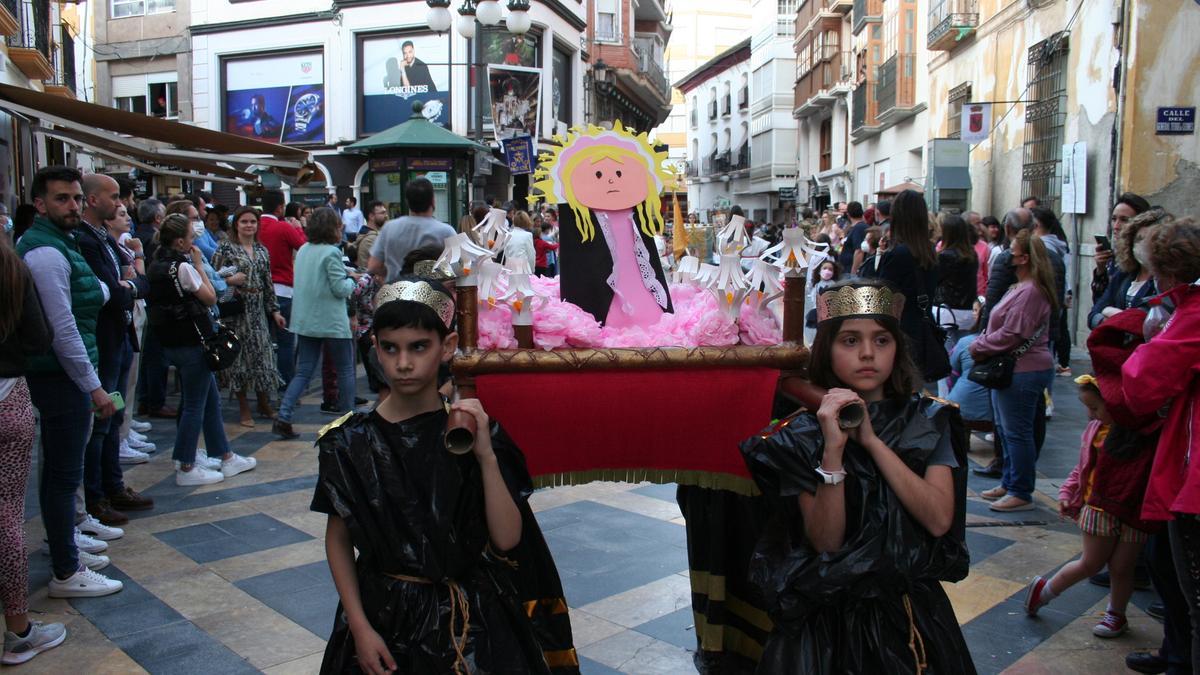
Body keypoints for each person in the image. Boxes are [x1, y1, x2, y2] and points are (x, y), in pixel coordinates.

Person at [312, 279, 576, 673]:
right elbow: (339, 541)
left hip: (471, 619)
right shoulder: (349, 443)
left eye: (418, 347)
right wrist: (360, 627)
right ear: (375, 350)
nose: (404, 363)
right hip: (385, 616)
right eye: (391, 348)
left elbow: (506, 538)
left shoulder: (471, 434)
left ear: (447, 347)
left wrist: (486, 456)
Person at [740, 279, 973, 673]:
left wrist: (871, 441)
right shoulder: (801, 436)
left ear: (897, 347)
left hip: (910, 617)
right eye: (850, 341)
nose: (868, 353)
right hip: (829, 627)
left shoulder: (929, 421)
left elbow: (937, 519)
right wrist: (833, 449)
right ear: (827, 350)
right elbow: (826, 541)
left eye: (881, 340)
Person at [16, 166, 124, 597]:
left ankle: (67, 541)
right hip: (61, 376)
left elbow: (97, 290)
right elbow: (63, 328)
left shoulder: (63, 243)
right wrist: (92, 385)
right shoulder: (45, 253)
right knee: (62, 473)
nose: (74, 206)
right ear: (40, 204)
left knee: (63, 470)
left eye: (77, 198)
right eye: (63, 199)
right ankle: (66, 567)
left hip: (67, 373)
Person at [1121, 217, 1200, 673]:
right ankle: (1174, 654)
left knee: (1189, 586)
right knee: (1168, 569)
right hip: (1181, 455)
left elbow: (1143, 383)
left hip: (1192, 471)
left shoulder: (1192, 314)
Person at [1025, 374, 1157, 637]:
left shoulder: (1142, 431)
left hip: (1134, 508)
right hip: (1099, 508)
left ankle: (1116, 615)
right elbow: (1082, 466)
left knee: (1122, 567)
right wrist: (1067, 492)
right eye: (1087, 407)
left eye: (1095, 407)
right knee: (1091, 564)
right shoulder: (1095, 430)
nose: (1089, 414)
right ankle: (1045, 591)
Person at [146, 214, 257, 486]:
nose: (195, 240)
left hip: (173, 341)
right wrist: (198, 265)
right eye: (191, 236)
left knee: (208, 401)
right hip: (192, 341)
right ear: (181, 241)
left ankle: (225, 455)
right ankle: (185, 464)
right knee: (195, 405)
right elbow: (209, 296)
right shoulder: (182, 267)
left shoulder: (156, 264)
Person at [0, 235, 67, 665]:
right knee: (6, 512)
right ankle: (19, 628)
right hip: (7, 393)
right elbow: (40, 336)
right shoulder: (10, 266)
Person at [76, 174, 153, 526]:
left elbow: (137, 283)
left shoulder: (103, 237)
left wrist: (130, 283)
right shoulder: (86, 240)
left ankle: (112, 484)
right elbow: (114, 290)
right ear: (94, 200)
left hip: (119, 338)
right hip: (105, 339)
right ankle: (97, 495)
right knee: (102, 420)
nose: (121, 202)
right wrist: (129, 285)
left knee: (115, 412)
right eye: (114, 196)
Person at [971, 229, 1057, 512]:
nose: (1008, 253)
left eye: (1013, 249)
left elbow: (1012, 333)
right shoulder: (1019, 287)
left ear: (1023, 258)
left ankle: (1020, 489)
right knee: (1007, 431)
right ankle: (1010, 481)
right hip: (1014, 368)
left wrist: (980, 345)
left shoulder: (1031, 291)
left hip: (1023, 369)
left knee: (1016, 431)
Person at [274, 208, 359, 439]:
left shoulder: (302, 250)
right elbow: (340, 289)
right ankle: (348, 419)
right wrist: (353, 281)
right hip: (331, 320)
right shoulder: (331, 252)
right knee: (345, 370)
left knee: (303, 371)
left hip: (306, 319)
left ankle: (284, 414)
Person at [212, 207, 286, 427]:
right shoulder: (225, 247)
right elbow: (213, 277)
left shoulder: (261, 250)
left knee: (263, 356)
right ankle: (244, 408)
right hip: (236, 308)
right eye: (244, 221)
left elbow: (268, 282)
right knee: (240, 361)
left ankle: (264, 402)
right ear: (237, 224)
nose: (248, 225)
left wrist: (275, 310)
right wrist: (230, 280)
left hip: (258, 309)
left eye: (252, 221)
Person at [860, 190, 940, 379]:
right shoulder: (930, 251)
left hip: (898, 331)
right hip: (921, 326)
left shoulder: (898, 254)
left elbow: (880, 295)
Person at [103, 204, 156, 463]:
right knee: (123, 380)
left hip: (134, 311)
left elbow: (140, 284)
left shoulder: (120, 246)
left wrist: (134, 279)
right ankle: (121, 436)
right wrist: (136, 261)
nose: (128, 219)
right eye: (121, 214)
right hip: (124, 316)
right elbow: (134, 284)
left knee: (129, 380)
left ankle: (125, 427)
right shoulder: (112, 248)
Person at [258, 190, 306, 387]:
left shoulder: (252, 226)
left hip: (257, 290)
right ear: (280, 207)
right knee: (286, 341)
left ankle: (264, 382)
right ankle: (286, 382)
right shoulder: (283, 227)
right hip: (283, 290)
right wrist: (299, 228)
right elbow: (304, 248)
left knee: (263, 341)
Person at [368, 178, 455, 284]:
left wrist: (391, 272)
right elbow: (460, 267)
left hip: (396, 292)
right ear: (433, 200)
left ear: (407, 202)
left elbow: (373, 266)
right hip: (431, 294)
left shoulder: (389, 228)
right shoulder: (446, 232)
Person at [1088, 209, 1163, 329]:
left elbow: (1145, 324)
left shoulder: (1164, 281)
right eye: (1139, 239)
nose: (1144, 244)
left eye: (1150, 239)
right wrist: (1109, 319)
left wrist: (1109, 312)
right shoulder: (1124, 274)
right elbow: (1093, 314)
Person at [1093, 192, 1151, 300]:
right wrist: (1101, 270)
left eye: (1124, 220)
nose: (1116, 226)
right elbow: (1099, 303)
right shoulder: (1114, 259)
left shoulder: (1144, 261)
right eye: (1114, 219)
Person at [932, 214, 978, 344]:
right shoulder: (971, 255)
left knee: (946, 351)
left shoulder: (944, 256)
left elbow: (935, 280)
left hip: (946, 310)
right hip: (967, 310)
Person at [353, 200, 386, 271]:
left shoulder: (367, 235)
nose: (386, 216)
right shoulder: (371, 239)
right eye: (382, 213)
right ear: (371, 216)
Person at [837, 201, 868, 273]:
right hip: (846, 267)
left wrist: (853, 271)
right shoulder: (853, 227)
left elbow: (859, 251)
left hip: (851, 269)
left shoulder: (859, 228)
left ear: (848, 214)